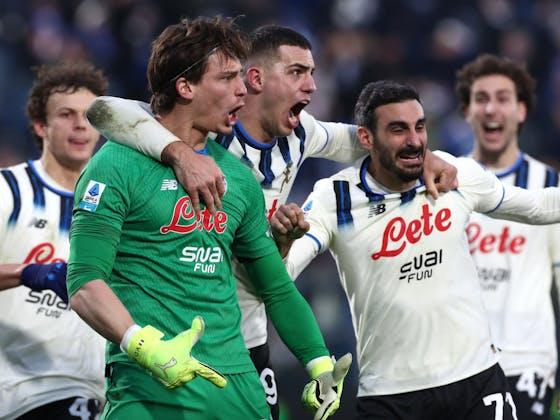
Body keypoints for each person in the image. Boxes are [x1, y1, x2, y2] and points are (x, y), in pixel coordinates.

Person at [85, 25, 457, 419]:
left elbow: (368, 140)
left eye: (312, 73)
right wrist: (178, 152)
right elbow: (104, 111)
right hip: (167, 333)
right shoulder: (204, 129)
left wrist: (421, 155)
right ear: (256, 78)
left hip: (244, 336)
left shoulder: (298, 136)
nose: (311, 86)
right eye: (297, 72)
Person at [66, 16, 350, 420]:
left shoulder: (238, 178)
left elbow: (276, 288)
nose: (242, 89)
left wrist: (319, 364)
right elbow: (83, 283)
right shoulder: (115, 166)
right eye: (228, 78)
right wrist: (143, 346)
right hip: (149, 386)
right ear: (186, 87)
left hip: (238, 387)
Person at [270, 80, 560, 419]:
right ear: (366, 138)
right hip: (391, 395)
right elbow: (280, 275)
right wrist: (283, 243)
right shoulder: (335, 198)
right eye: (398, 129)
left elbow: (537, 207)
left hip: (476, 380)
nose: (414, 140)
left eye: (419, 127)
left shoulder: (454, 176)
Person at [0, 62, 107, 419]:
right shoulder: (9, 191)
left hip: (102, 394)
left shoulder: (116, 206)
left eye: (90, 116)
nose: (80, 124)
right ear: (40, 125)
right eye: (66, 114)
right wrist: (29, 273)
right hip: (23, 392)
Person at [455, 54, 560, 419]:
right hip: (460, 366)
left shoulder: (550, 186)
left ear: (521, 110)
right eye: (481, 99)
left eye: (503, 98)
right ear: (467, 111)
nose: (491, 109)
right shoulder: (446, 185)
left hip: (527, 361)